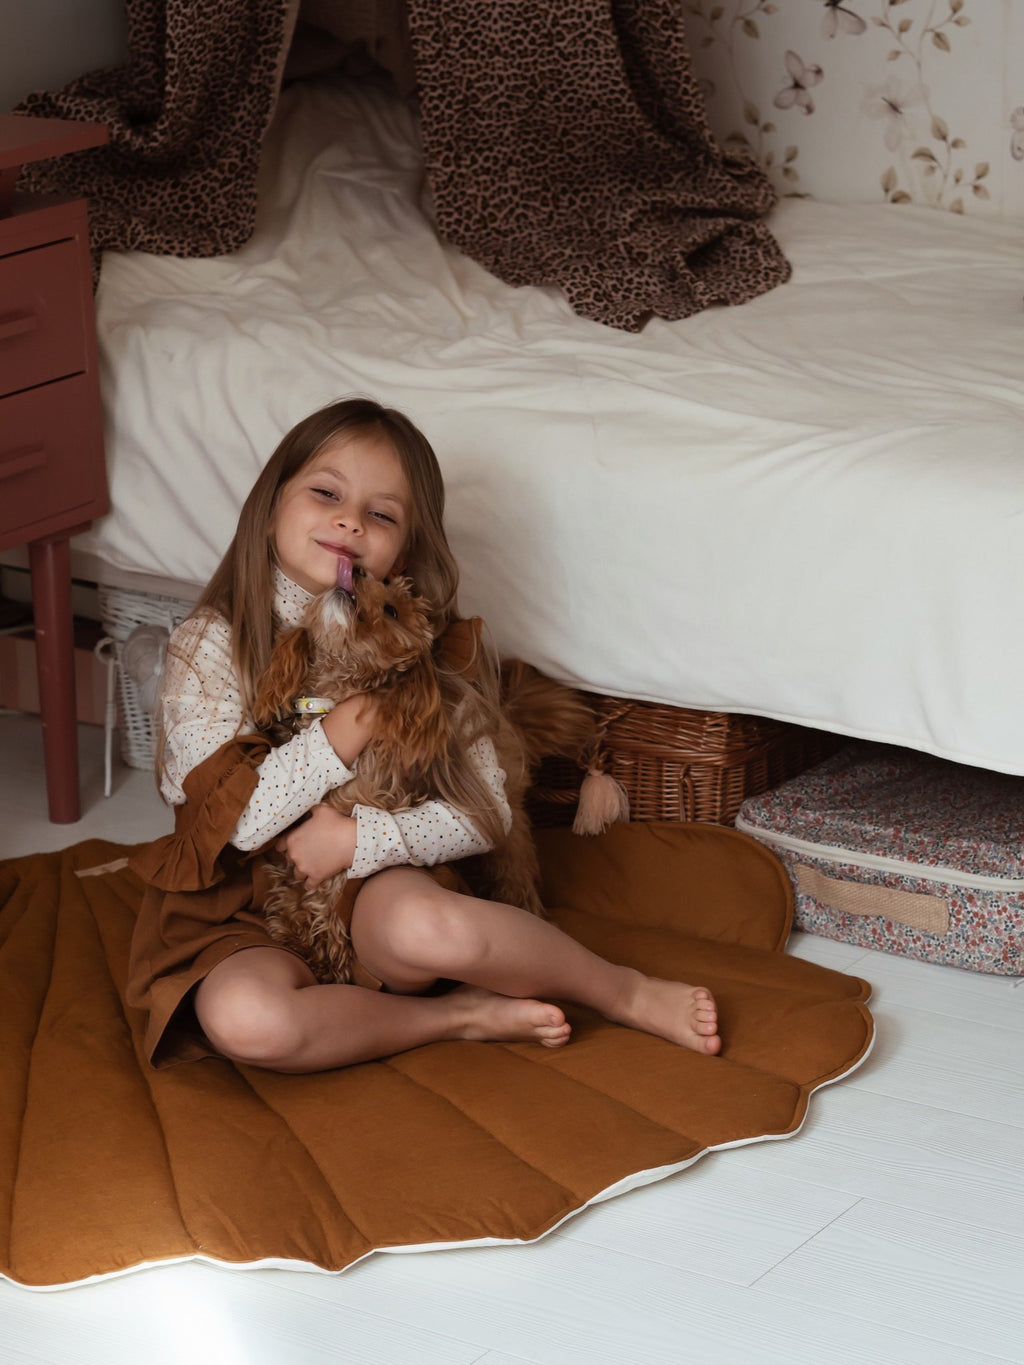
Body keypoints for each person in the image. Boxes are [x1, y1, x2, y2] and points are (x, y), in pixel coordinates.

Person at [126, 397, 721, 1072]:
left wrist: (359, 840)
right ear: (269, 508)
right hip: (238, 911)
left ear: (403, 551)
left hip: (372, 892)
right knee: (246, 1018)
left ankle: (622, 990)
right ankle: (457, 1016)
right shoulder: (209, 645)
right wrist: (347, 727)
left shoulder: (419, 650)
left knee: (428, 927)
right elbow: (236, 822)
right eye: (326, 493)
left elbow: (488, 813)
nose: (350, 521)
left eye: (381, 515)